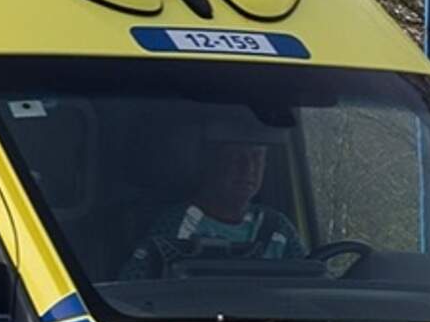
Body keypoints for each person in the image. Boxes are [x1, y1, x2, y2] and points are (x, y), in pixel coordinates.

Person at [124, 108, 306, 281]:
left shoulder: (279, 229)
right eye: (236, 156)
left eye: (257, 157)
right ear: (210, 161)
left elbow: (309, 284)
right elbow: (132, 289)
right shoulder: (174, 226)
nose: (248, 168)